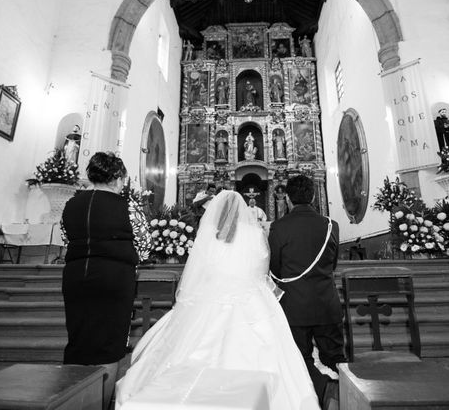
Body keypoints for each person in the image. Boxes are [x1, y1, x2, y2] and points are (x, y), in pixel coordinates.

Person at [115, 191, 319, 409]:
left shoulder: (209, 233)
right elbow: (261, 267)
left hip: (211, 296)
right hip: (250, 297)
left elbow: (200, 269)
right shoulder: (254, 233)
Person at [61, 152, 137, 410]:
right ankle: (100, 405)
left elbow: (66, 236)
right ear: (116, 178)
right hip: (113, 277)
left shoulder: (72, 203)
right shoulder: (127, 206)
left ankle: (73, 402)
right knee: (109, 344)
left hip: (76, 274)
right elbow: (145, 245)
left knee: (78, 339)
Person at [268, 175, 344, 410]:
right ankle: (340, 399)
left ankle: (307, 402)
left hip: (293, 307)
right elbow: (332, 265)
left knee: (299, 361)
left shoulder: (278, 227)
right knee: (335, 358)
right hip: (326, 303)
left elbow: (276, 270)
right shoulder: (331, 225)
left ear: (288, 199)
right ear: (312, 197)